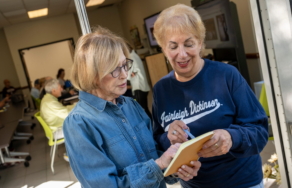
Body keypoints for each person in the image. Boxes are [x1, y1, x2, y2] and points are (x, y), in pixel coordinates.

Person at [63, 26, 201, 188]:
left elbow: (154, 154)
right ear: (92, 75)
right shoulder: (79, 124)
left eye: (124, 65)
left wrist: (177, 165)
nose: (124, 75)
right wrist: (158, 165)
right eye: (115, 69)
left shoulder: (130, 105)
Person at [152, 4, 268, 188]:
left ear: (200, 43)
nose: (181, 54)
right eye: (173, 46)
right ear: (164, 49)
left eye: (188, 44)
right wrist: (170, 138)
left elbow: (260, 132)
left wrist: (231, 137)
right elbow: (157, 140)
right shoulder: (161, 90)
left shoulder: (226, 75)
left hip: (242, 182)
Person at [126, 42, 152, 119]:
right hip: (140, 86)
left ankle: (150, 127)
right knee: (144, 108)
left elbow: (134, 71)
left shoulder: (132, 57)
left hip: (139, 87)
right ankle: (153, 126)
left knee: (141, 109)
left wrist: (129, 76)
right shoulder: (134, 56)